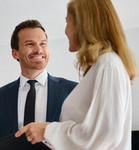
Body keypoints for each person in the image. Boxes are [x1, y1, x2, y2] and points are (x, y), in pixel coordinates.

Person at [15, 0, 138, 149]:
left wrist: (47, 130)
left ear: (83, 23)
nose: (66, 30)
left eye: (68, 22)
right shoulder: (99, 67)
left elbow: (105, 134)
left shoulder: (108, 64)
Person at [0, 19, 77, 141]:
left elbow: (83, 136)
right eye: (30, 44)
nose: (38, 50)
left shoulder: (73, 90)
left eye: (43, 43)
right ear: (15, 53)